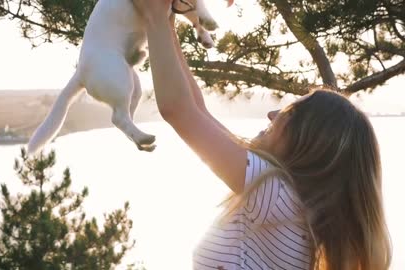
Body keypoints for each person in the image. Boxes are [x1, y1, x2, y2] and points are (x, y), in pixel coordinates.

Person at [131, 0, 392, 269]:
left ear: (306, 141)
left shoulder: (276, 198)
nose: (272, 115)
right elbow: (199, 111)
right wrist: (166, 22)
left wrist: (153, 15)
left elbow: (179, 111)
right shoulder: (291, 207)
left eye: (288, 112)